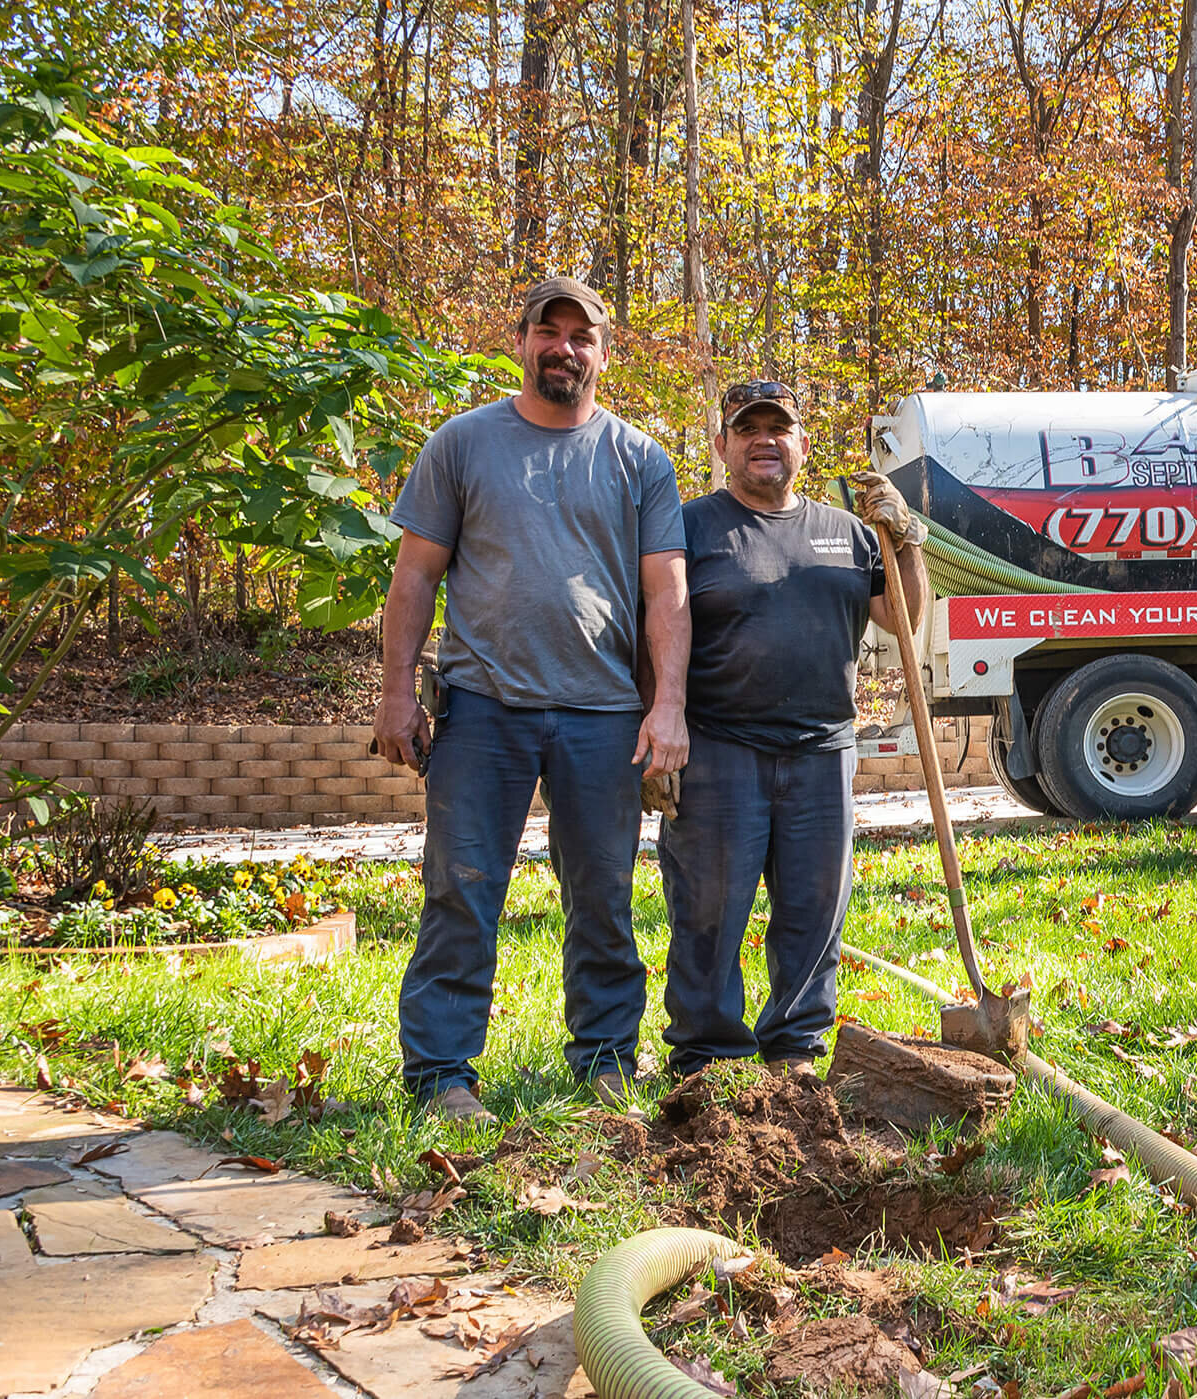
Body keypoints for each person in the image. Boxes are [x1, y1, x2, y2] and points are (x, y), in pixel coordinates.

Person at [373, 277, 691, 1123]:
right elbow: (414, 576)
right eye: (547, 332)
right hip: (484, 708)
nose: (564, 348)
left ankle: (607, 1059)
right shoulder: (464, 443)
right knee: (462, 888)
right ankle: (442, 1075)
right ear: (520, 342)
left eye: (580, 335)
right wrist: (396, 692)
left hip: (602, 716)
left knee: (603, 894)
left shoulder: (639, 458)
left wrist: (667, 709)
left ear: (603, 352)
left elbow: (668, 594)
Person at [657, 379, 927, 1076]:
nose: (763, 440)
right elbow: (651, 630)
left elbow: (902, 617)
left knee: (813, 910)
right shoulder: (689, 526)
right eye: (747, 429)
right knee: (709, 909)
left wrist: (907, 537)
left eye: (778, 428)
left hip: (822, 750)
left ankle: (795, 1048)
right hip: (719, 748)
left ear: (802, 445)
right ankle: (707, 1052)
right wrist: (658, 726)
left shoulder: (847, 530)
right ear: (721, 446)